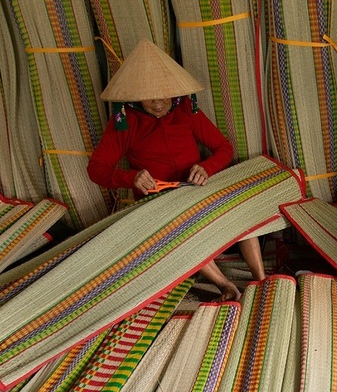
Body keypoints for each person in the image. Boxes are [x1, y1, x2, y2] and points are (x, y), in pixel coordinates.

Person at [88, 39, 264, 301]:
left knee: (239, 211)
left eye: (164, 96)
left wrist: (206, 167)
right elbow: (96, 169)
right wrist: (131, 178)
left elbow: (223, 148)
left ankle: (261, 279)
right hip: (160, 199)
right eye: (149, 98)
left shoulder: (185, 109)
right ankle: (225, 285)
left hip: (197, 187)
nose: (158, 104)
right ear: (136, 95)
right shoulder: (125, 122)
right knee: (178, 232)